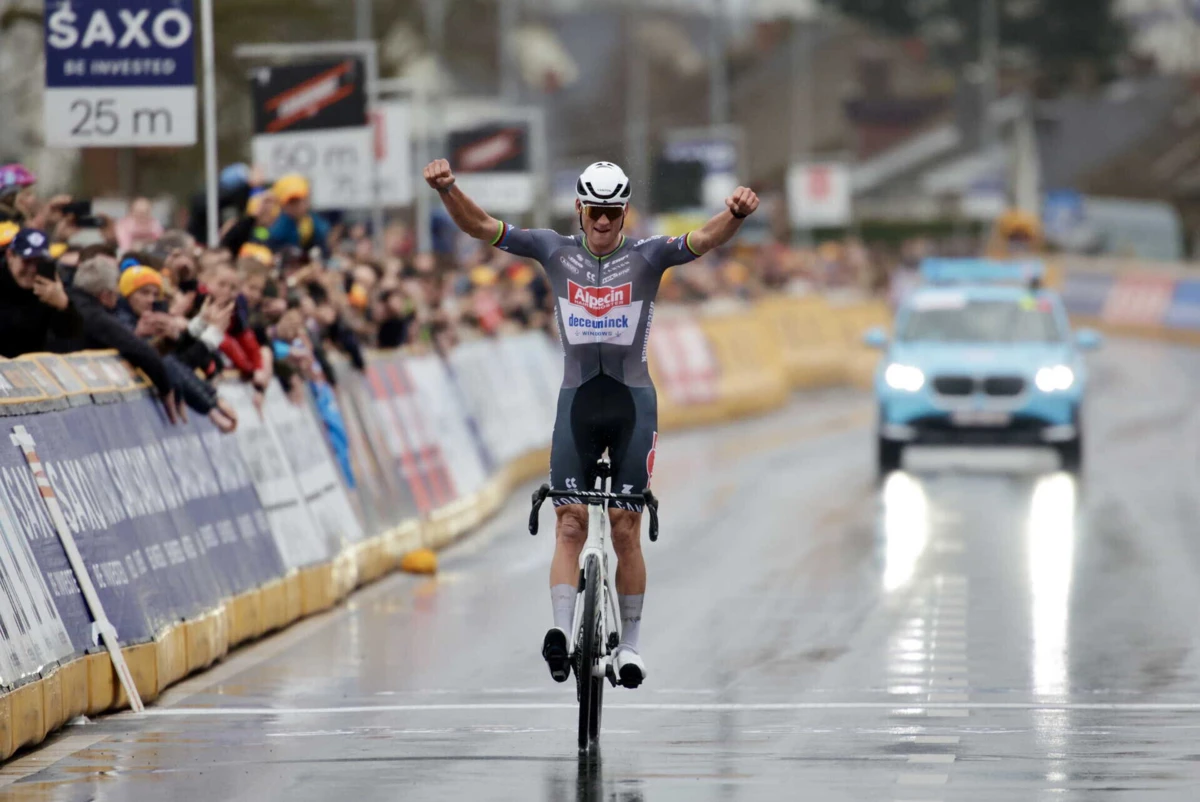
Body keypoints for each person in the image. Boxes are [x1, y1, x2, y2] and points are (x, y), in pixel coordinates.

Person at [425, 158, 759, 689]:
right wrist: (448, 190)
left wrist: (735, 215)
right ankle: (560, 634)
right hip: (577, 403)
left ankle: (630, 646)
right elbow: (482, 226)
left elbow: (703, 239)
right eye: (595, 212)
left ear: (625, 212)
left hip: (632, 405)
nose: (603, 222)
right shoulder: (553, 250)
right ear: (579, 209)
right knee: (569, 523)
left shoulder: (649, 255)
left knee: (625, 528)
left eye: (612, 213)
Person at [63, 255, 183, 423]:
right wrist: (167, 389)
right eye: (115, 294)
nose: (117, 298)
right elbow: (142, 352)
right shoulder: (95, 316)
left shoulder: (65, 300)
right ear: (105, 295)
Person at [0, 228, 82, 358]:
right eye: (27, 261)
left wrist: (64, 306)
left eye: (39, 262)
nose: (32, 269)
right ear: (10, 256)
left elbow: (70, 336)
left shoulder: (48, 286)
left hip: (32, 364)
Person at [268, 174, 331, 256]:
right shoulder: (277, 227)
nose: (298, 206)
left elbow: (324, 247)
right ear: (282, 205)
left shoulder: (314, 222)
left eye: (301, 200)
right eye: (292, 202)